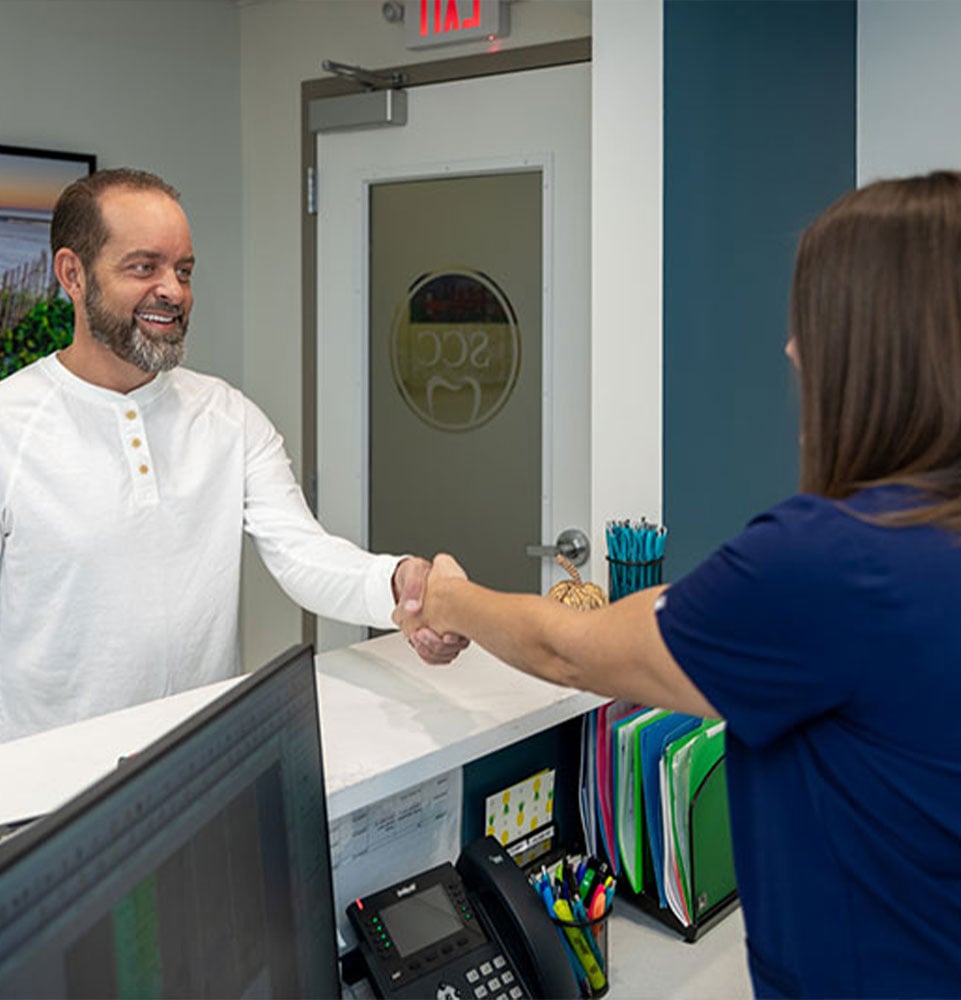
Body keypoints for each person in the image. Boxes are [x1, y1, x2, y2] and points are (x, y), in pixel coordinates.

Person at [397, 171, 961, 998]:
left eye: (808, 319)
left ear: (868, 343)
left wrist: (446, 594)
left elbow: (569, 647)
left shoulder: (834, 559)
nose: (791, 349)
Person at [0, 167, 466, 743]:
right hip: (46, 797)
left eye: (184, 270)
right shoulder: (10, 426)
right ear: (73, 274)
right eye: (144, 267)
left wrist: (399, 584)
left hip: (200, 772)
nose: (173, 290)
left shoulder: (227, 417)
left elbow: (303, 555)